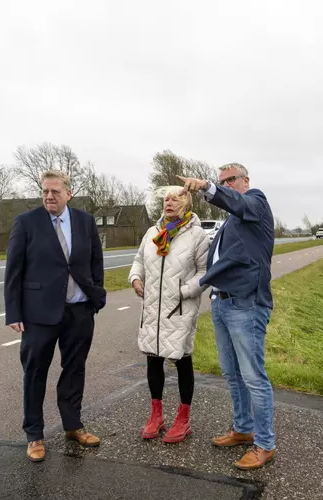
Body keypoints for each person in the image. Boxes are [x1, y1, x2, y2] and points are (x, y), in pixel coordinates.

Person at [177, 163, 276, 470]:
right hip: (222, 302)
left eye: (231, 180)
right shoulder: (232, 221)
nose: (227, 185)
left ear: (246, 180)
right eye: (223, 181)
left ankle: (265, 444)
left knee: (253, 376)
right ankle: (243, 428)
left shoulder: (256, 202)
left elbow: (237, 201)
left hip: (246, 304)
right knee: (232, 374)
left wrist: (208, 187)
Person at [4, 170, 107, 462]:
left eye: (55, 192)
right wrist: (14, 311)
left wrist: (94, 297)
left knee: (75, 369)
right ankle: (34, 434)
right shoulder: (26, 223)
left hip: (79, 310)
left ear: (68, 193)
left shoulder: (85, 221)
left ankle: (73, 425)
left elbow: (95, 261)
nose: (49, 196)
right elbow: (13, 270)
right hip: (38, 314)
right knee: (35, 372)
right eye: (45, 191)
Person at [128, 186, 210, 443]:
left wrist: (183, 291)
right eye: (166, 199)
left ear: (186, 203)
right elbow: (139, 260)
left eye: (175, 198)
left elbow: (204, 273)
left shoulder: (198, 236)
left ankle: (183, 420)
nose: (169, 203)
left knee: (182, 360)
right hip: (152, 307)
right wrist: (135, 278)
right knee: (153, 359)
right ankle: (156, 416)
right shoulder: (153, 232)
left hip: (180, 308)